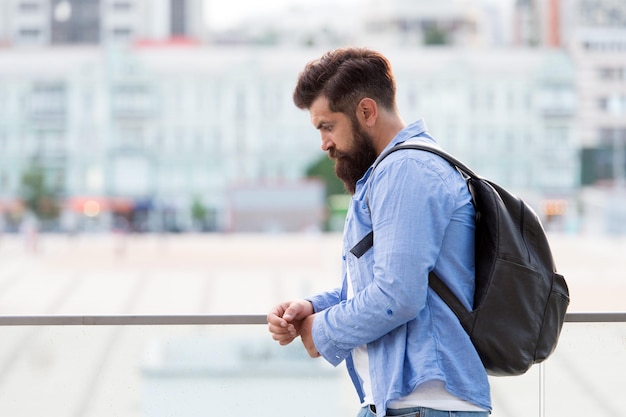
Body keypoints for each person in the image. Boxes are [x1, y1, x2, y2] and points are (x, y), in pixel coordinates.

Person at [267, 47, 491, 417]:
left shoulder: (406, 171)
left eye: (327, 126)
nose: (324, 143)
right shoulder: (395, 170)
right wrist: (312, 308)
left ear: (366, 112)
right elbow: (378, 285)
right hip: (402, 403)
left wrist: (320, 331)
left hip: (427, 406)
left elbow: (398, 294)